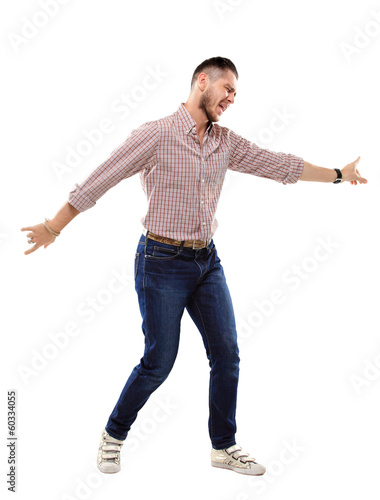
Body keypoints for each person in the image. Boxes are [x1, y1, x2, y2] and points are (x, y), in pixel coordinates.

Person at [21, 57, 367, 476]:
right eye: (228, 89)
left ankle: (223, 446)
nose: (232, 99)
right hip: (160, 263)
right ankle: (114, 434)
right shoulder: (156, 135)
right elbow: (100, 179)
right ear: (202, 81)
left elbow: (281, 165)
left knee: (227, 354)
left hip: (207, 262)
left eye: (236, 94)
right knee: (159, 361)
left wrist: (337, 174)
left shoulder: (226, 143)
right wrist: (52, 227)